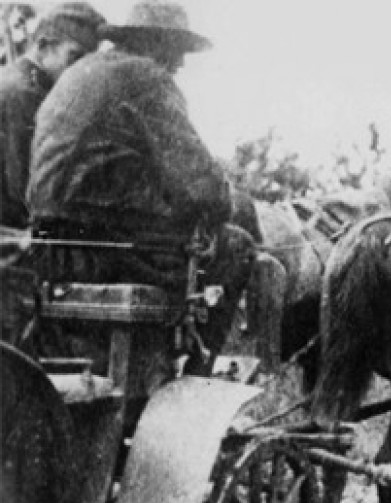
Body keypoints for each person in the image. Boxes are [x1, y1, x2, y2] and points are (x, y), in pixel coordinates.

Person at [27, 0, 254, 375]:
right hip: (109, 255)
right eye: (177, 51)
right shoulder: (147, 79)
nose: (180, 63)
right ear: (157, 44)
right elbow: (203, 187)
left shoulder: (80, 72)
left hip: (51, 250)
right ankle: (195, 382)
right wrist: (227, 200)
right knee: (237, 246)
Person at [1, 2, 105, 229]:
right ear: (43, 46)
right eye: (74, 58)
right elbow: (24, 189)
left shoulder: (28, 85)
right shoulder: (24, 93)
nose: (81, 72)